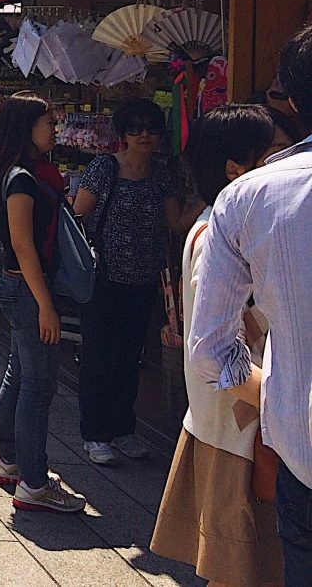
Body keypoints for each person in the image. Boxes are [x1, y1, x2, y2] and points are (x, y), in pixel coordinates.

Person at [191, 26, 312, 584]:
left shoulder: (248, 198)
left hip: (302, 451)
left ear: (291, 97)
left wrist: (280, 394)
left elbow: (212, 349)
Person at [152, 104, 287, 586]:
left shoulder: (218, 223)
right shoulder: (224, 233)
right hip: (243, 424)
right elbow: (223, 345)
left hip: (230, 418)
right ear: (237, 168)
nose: (286, 161)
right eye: (274, 152)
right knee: (241, 566)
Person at [0, 92, 86, 513]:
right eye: (48, 123)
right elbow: (24, 245)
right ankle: (34, 482)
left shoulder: (16, 173)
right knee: (38, 386)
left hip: (18, 287)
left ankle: (10, 461)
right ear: (28, 128)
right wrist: (46, 304)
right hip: (28, 289)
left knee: (20, 374)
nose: (54, 130)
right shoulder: (22, 178)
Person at [72, 97, 181, 466]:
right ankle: (96, 433)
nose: (143, 135)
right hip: (102, 277)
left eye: (150, 128)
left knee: (129, 356)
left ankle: (123, 428)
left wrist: (212, 196)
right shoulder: (105, 168)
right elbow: (77, 214)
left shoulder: (160, 173)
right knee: (99, 356)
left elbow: (175, 221)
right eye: (135, 128)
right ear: (123, 134)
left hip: (143, 278)